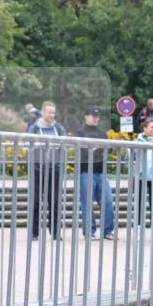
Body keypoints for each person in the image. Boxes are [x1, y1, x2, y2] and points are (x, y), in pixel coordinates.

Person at [28, 102, 68, 240]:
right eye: (49, 112)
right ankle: (34, 233)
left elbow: (64, 145)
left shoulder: (59, 128)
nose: (51, 115)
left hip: (54, 169)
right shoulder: (34, 128)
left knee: (55, 202)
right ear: (42, 112)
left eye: (53, 112)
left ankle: (55, 233)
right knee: (36, 201)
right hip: (38, 169)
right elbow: (29, 145)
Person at [77, 106, 115, 240]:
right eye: (93, 116)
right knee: (87, 203)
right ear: (86, 116)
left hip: (101, 172)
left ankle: (107, 230)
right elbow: (83, 151)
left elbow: (109, 149)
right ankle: (89, 232)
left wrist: (95, 150)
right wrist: (99, 149)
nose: (95, 118)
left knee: (108, 202)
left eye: (97, 116)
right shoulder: (80, 133)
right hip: (86, 172)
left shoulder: (103, 133)